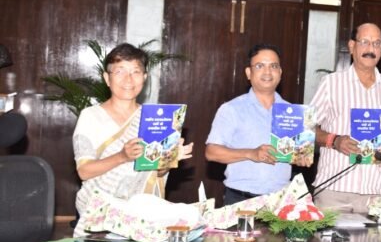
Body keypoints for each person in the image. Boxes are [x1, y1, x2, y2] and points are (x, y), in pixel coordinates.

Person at [73, 43, 193, 216]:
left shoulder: (156, 118)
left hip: (141, 212)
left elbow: (157, 172)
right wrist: (122, 156)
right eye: (120, 71)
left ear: (144, 77)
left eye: (135, 72)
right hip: (99, 211)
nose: (128, 79)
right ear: (107, 78)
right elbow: (84, 172)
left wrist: (169, 158)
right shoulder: (91, 116)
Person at [311, 23, 381, 213]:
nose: (370, 49)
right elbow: (307, 127)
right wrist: (335, 140)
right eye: (364, 42)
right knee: (328, 235)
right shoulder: (331, 83)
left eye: (376, 43)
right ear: (351, 46)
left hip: (376, 190)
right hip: (334, 188)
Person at [206, 43, 310, 206]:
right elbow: (211, 152)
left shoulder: (294, 113)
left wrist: (301, 158)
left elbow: (296, 154)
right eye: (260, 66)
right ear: (249, 73)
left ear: (280, 73)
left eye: (273, 66)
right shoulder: (231, 109)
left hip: (281, 201)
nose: (268, 72)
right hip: (241, 200)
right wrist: (251, 153)